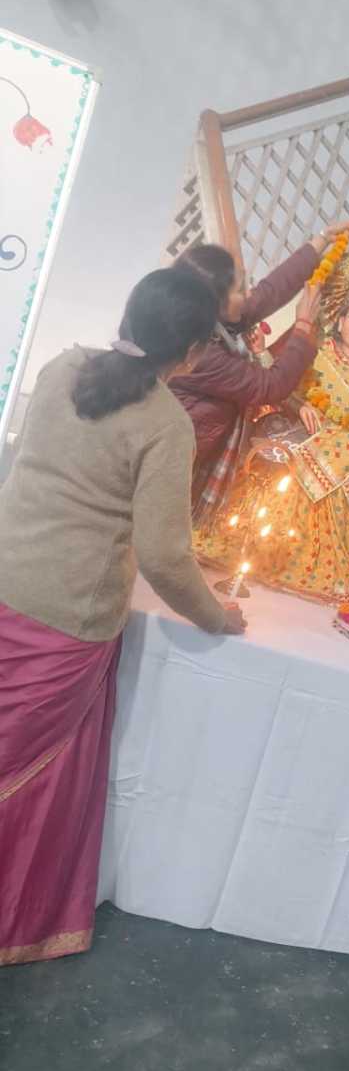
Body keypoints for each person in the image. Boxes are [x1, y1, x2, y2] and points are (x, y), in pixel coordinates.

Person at [0, 269, 246, 968]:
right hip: (67, 618)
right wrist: (217, 617)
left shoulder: (61, 367)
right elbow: (165, 557)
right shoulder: (165, 424)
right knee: (22, 772)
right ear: (193, 352)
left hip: (6, 576)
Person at [193, 236, 349, 606]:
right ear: (339, 319)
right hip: (308, 449)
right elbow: (277, 388)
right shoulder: (314, 354)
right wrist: (299, 404)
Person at [169, 221, 349, 522]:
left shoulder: (213, 319)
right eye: (239, 290)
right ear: (214, 303)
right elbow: (270, 387)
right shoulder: (199, 352)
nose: (248, 294)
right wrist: (303, 325)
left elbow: (268, 293)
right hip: (184, 461)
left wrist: (321, 241)